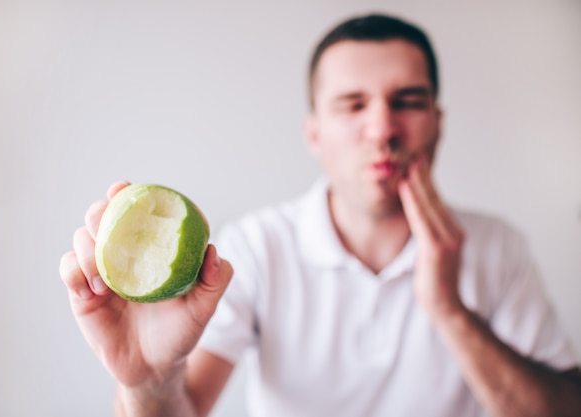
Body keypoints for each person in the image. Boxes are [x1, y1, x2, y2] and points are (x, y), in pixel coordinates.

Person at [60, 13, 581, 417]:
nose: (383, 129)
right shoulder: (257, 250)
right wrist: (148, 379)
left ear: (437, 124)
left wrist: (449, 309)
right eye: (353, 105)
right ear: (314, 134)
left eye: (408, 100)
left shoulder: (497, 248)